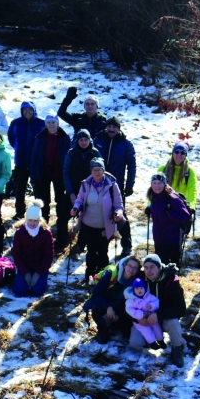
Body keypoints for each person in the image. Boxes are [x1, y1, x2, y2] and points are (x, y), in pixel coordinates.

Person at [71, 158, 125, 281]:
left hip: (104, 226)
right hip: (87, 224)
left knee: (102, 252)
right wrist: (75, 208)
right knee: (91, 251)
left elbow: (118, 204)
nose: (97, 172)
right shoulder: (85, 184)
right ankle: (89, 275)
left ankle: (103, 278)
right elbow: (79, 199)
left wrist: (118, 213)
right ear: (91, 172)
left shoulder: (112, 185)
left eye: (99, 169)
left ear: (103, 171)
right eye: (94, 170)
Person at [94, 117, 138, 256]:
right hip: (98, 184)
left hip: (116, 186)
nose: (111, 129)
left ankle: (127, 244)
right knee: (98, 213)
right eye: (109, 127)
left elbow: (132, 165)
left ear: (118, 129)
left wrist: (129, 184)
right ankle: (98, 244)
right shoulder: (98, 140)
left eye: (114, 127)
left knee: (120, 215)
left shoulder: (125, 144)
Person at [30, 113, 71, 256]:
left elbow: (69, 158)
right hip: (43, 175)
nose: (51, 125)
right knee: (43, 206)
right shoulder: (40, 137)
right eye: (49, 123)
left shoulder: (65, 138)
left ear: (58, 124)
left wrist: (69, 179)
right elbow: (34, 158)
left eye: (54, 122)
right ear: (46, 124)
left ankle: (62, 238)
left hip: (60, 176)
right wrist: (33, 177)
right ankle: (42, 235)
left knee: (62, 207)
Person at [137, 254, 188, 365]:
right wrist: (138, 318)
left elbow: (181, 309)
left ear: (159, 268)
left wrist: (159, 315)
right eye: (146, 267)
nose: (149, 271)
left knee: (173, 323)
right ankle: (149, 339)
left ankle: (177, 348)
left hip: (164, 318)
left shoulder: (171, 282)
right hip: (146, 319)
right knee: (135, 343)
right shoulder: (140, 280)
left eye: (152, 267)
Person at [83, 255, 141, 344]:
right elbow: (96, 293)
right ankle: (102, 329)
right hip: (104, 303)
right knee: (96, 309)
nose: (131, 269)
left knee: (125, 330)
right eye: (129, 266)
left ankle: (113, 326)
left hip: (120, 307)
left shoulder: (135, 281)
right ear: (125, 265)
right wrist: (108, 307)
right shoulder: (112, 273)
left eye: (135, 268)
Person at [143, 174, 193, 266]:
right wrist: (150, 208)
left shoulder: (173, 198)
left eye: (159, 183)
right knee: (160, 266)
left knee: (168, 267)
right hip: (158, 239)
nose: (157, 186)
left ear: (165, 184)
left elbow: (186, 216)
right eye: (154, 183)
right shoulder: (154, 197)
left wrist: (171, 214)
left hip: (172, 240)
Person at [8, 101, 46, 219]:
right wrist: (19, 148)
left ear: (34, 111)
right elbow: (11, 139)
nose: (27, 112)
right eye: (25, 110)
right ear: (22, 111)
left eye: (30, 110)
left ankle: (39, 211)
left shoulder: (41, 123)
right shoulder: (15, 123)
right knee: (20, 188)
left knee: (38, 189)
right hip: (21, 161)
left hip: (36, 163)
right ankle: (20, 211)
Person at [63, 130, 98, 256]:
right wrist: (71, 193)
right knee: (64, 215)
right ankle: (63, 241)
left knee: (86, 218)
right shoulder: (71, 153)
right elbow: (66, 172)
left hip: (90, 191)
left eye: (86, 140)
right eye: (81, 140)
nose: (83, 142)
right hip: (73, 189)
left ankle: (82, 243)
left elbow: (99, 173)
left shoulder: (95, 153)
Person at [11, 200, 54, 297]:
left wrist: (38, 273)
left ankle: (40, 281)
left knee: (37, 292)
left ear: (39, 220)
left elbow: (49, 255)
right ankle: (22, 279)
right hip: (25, 266)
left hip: (40, 267)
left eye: (35, 220)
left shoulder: (46, 233)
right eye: (30, 220)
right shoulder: (20, 233)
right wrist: (25, 272)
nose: (32, 223)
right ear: (26, 219)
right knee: (19, 291)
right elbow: (17, 255)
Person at [124, 278, 163, 349]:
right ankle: (152, 343)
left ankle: (161, 340)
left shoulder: (149, 296)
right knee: (146, 330)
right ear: (133, 290)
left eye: (141, 288)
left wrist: (152, 305)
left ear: (145, 288)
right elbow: (129, 309)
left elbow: (156, 301)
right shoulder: (131, 300)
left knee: (156, 327)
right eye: (137, 288)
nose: (139, 290)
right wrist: (141, 314)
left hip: (151, 316)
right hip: (140, 320)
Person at [159, 141, 198, 205]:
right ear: (172, 153)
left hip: (180, 207)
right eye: (176, 151)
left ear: (185, 155)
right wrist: (150, 205)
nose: (179, 155)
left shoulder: (190, 172)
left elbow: (192, 191)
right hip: (163, 206)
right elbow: (154, 188)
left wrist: (191, 206)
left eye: (182, 153)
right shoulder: (163, 169)